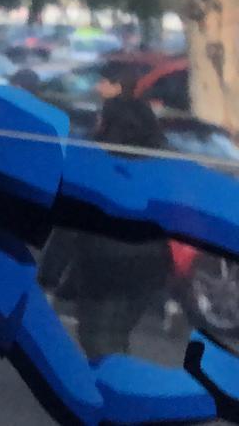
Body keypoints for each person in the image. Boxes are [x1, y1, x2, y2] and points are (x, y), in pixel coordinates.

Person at [64, 62, 172, 359]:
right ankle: (118, 375)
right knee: (117, 332)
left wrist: (53, 274)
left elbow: (74, 214)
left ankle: (110, 381)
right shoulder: (157, 154)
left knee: (97, 335)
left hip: (105, 259)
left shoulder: (99, 158)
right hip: (149, 258)